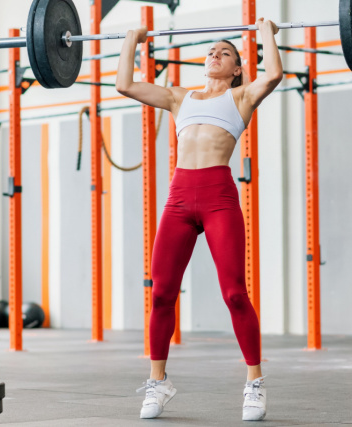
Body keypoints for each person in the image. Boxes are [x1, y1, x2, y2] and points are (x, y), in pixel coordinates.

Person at [116, 17, 283, 422]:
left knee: (234, 294)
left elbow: (276, 73)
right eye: (211, 51)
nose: (215, 55)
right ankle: (158, 382)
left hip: (218, 197)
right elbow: (125, 85)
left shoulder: (242, 97)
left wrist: (266, 33)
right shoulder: (180, 98)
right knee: (160, 294)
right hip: (178, 199)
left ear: (238, 68)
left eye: (225, 53)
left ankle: (255, 384)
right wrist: (132, 40)